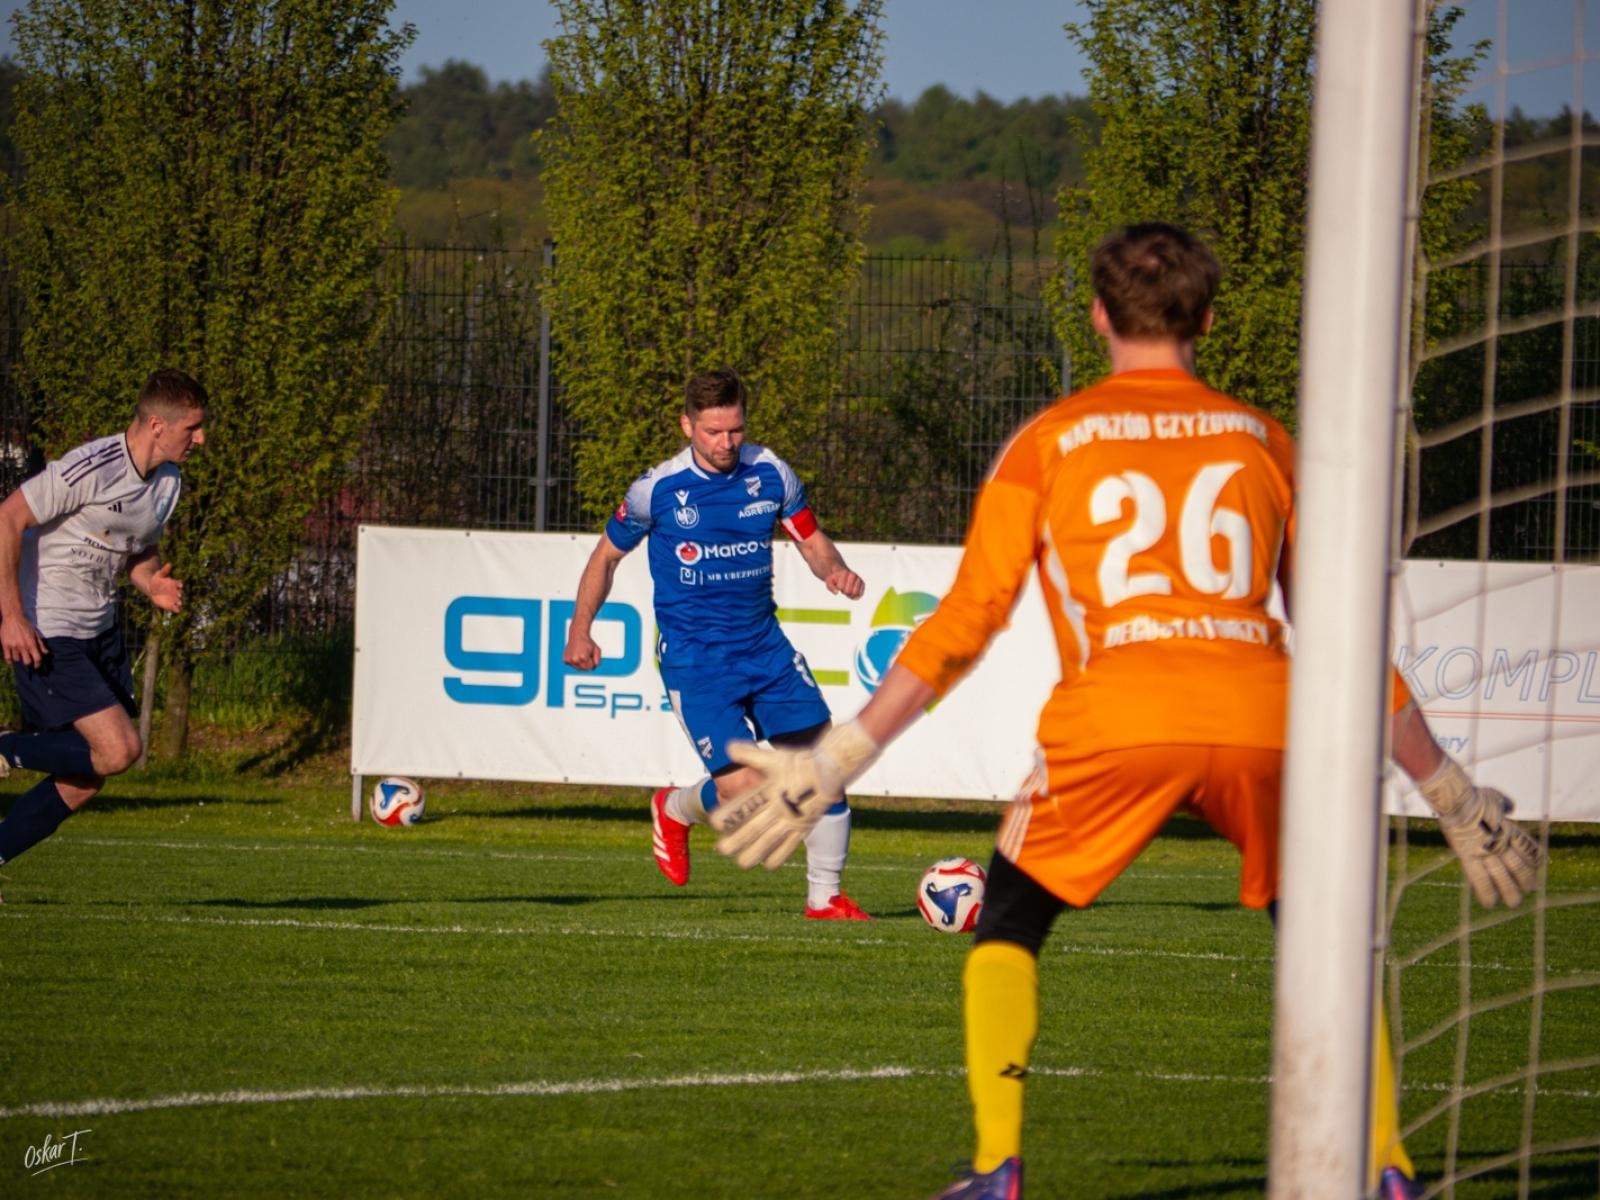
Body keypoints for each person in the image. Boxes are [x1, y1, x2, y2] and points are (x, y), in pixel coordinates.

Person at [709, 224, 1542, 1198]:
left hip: (1118, 713)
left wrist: (844, 749)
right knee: (1317, 933)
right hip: (1264, 716)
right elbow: (1345, 639)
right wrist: (1442, 786)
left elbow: (967, 621)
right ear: (1208, 319)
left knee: (1011, 921)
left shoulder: (1050, 441)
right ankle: (1387, 1169)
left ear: (1098, 316)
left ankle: (994, 1170)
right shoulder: (1266, 441)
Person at [562, 367, 871, 919]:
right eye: (712, 432)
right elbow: (606, 556)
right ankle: (676, 807)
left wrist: (835, 571)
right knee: (747, 788)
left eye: (734, 430)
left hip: (766, 650)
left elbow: (810, 537)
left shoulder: (771, 473)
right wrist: (580, 629)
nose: (726, 443)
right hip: (696, 660)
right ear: (687, 425)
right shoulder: (656, 491)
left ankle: (825, 899)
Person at [0, 368, 208, 890]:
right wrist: (11, 616)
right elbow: (8, 519)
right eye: (193, 428)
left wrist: (150, 585)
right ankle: (5, 748)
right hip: (48, 626)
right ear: (157, 424)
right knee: (119, 751)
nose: (201, 439)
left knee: (87, 778)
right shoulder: (90, 467)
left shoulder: (168, 484)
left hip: (102, 633)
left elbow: (136, 548)